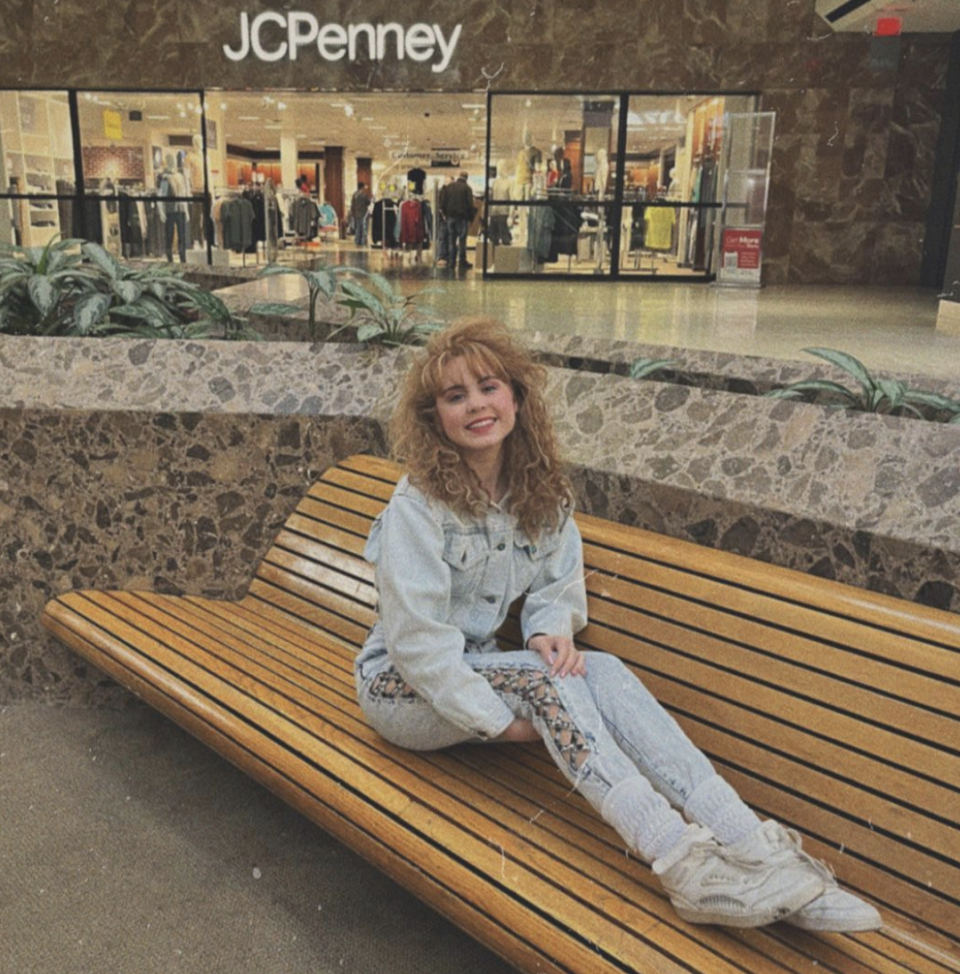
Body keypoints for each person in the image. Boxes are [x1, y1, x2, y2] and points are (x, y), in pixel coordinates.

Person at [353, 318, 882, 932]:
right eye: (454, 396)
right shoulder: (418, 504)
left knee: (595, 667)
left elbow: (555, 579)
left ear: (517, 399)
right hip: (403, 686)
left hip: (479, 671)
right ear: (435, 417)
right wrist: (502, 725)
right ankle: (681, 863)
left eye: (489, 387)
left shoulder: (537, 492)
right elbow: (418, 647)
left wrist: (548, 628)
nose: (476, 405)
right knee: (545, 682)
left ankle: (753, 847)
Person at [441, 170, 474, 270]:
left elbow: (443, 203)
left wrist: (446, 215)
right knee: (462, 241)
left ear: (459, 176)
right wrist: (471, 218)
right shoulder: (467, 188)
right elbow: (470, 205)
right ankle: (462, 261)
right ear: (466, 178)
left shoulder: (449, 187)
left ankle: (452, 262)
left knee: (451, 240)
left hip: (451, 218)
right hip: (462, 218)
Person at [350, 182, 371, 247]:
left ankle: (357, 240)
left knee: (357, 227)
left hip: (356, 213)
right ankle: (363, 241)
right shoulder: (364, 195)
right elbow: (368, 203)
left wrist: (352, 213)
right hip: (363, 213)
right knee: (363, 227)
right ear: (362, 187)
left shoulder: (354, 195)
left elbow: (352, 205)